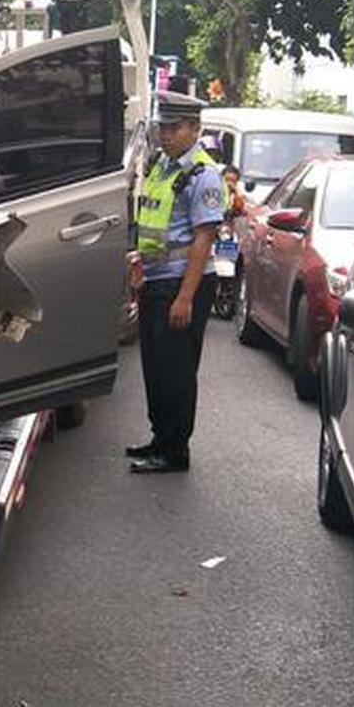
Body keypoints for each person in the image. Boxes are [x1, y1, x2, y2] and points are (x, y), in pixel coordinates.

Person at [125, 91, 227, 474]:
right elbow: (157, 226)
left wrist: (185, 297)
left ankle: (174, 450)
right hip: (155, 280)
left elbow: (203, 238)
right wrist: (140, 261)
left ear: (195, 129)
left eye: (175, 127)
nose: (166, 135)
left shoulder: (204, 175)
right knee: (155, 367)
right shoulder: (162, 166)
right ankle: (159, 438)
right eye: (163, 127)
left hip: (183, 284)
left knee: (177, 372)